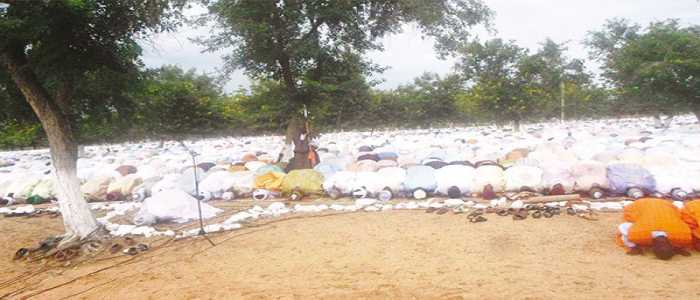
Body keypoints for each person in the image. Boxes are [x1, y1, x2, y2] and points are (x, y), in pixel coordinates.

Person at [616, 198, 693, 260]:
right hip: (639, 205)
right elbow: (622, 227)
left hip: (667, 204)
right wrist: (633, 247)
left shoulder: (682, 234)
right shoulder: (639, 233)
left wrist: (680, 248)